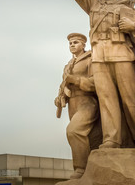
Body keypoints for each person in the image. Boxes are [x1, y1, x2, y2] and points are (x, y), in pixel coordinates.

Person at [58, 0, 135, 148]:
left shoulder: (124, 7)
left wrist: (132, 25)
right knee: (107, 100)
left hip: (121, 55)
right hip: (99, 57)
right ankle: (112, 139)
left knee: (131, 99)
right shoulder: (94, 6)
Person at [54, 33, 99, 179]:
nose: (72, 45)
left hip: (87, 102)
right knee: (87, 139)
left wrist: (75, 80)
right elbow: (64, 86)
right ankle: (88, 171)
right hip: (72, 104)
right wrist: (60, 97)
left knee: (73, 131)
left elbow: (96, 82)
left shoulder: (91, 59)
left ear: (83, 45)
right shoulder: (68, 65)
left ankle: (80, 168)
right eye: (70, 43)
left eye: (75, 42)